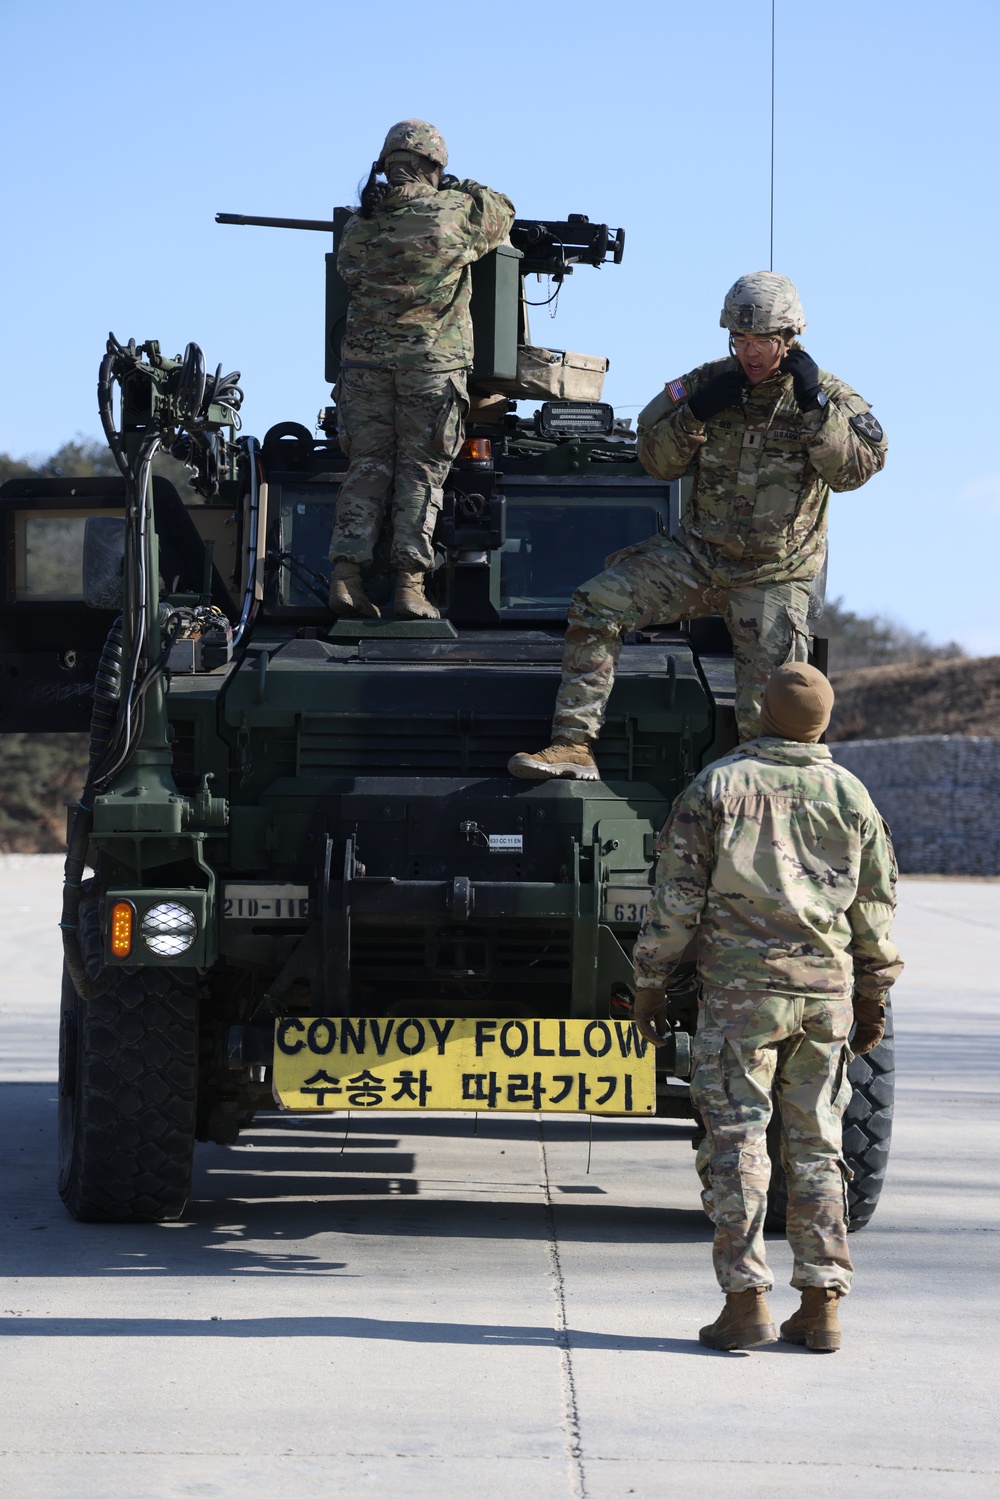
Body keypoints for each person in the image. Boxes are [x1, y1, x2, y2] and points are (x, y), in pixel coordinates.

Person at [508, 272, 888, 780]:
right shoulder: (707, 384)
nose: (751, 353)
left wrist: (814, 405)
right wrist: (697, 414)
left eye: (764, 342)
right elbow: (655, 461)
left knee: (770, 718)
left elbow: (853, 472)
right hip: (695, 559)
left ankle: (759, 808)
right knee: (597, 603)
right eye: (741, 341)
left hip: (772, 575)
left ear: (790, 339)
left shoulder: (825, 397)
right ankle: (573, 746)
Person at [631, 663, 903, 1353]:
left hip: (741, 999)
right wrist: (873, 993)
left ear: (761, 712)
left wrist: (652, 980)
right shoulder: (851, 795)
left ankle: (745, 1299)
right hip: (824, 1000)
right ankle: (821, 1304)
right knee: (817, 1144)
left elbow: (677, 898)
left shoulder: (719, 786)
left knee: (739, 1139)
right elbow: (874, 909)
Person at [328, 120, 515, 621]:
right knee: (420, 473)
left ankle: (346, 578)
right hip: (430, 368)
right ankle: (410, 588)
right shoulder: (452, 214)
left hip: (363, 368)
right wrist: (461, 186)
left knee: (366, 468)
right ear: (433, 166)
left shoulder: (358, 225)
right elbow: (501, 211)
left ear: (387, 164)